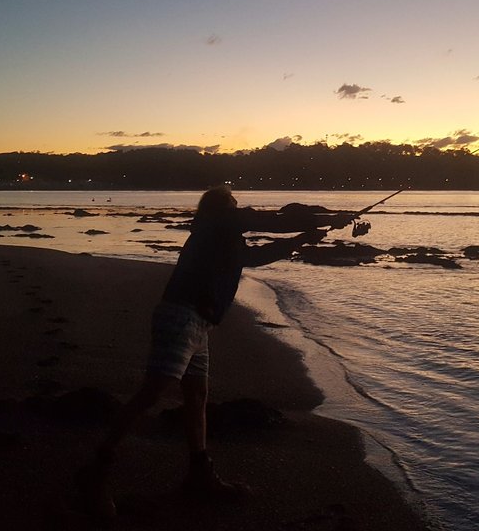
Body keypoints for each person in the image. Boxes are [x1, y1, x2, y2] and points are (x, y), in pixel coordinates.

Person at [78, 186, 351, 519]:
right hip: (182, 316)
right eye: (234, 203)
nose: (239, 208)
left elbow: (254, 257)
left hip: (199, 322)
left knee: (196, 398)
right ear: (222, 207)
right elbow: (265, 220)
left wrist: (302, 239)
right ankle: (95, 472)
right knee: (151, 393)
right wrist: (329, 218)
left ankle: (199, 474)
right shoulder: (217, 224)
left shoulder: (221, 237)